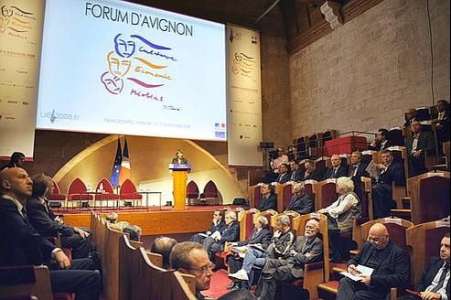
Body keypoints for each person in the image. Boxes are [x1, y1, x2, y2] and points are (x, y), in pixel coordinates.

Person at [0, 167, 101, 300]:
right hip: (22, 274)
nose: (29, 181)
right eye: (22, 177)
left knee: (90, 263)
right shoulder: (5, 208)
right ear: (6, 184)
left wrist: (55, 250)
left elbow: (33, 234)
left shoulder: (17, 207)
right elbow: (28, 236)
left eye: (28, 177)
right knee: (92, 278)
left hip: (35, 266)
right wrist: (54, 252)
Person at [336, 223, 410, 300]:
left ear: (386, 237)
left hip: (380, 289)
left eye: (375, 239)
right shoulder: (368, 245)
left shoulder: (399, 253)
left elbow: (401, 278)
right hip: (361, 282)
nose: (372, 241)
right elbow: (355, 259)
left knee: (358, 296)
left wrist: (373, 280)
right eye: (370, 238)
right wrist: (351, 265)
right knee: (344, 281)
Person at [27, 173, 91, 259]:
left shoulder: (43, 201)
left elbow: (53, 219)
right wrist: (71, 229)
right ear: (45, 189)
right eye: (52, 187)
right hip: (50, 238)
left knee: (88, 231)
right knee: (83, 237)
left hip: (55, 232)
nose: (53, 189)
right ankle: (81, 264)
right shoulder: (34, 204)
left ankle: (87, 258)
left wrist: (70, 228)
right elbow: (49, 226)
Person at [256, 218, 323, 300]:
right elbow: (289, 252)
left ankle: (265, 298)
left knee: (272, 273)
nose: (308, 229)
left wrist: (295, 254)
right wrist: (298, 255)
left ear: (317, 230)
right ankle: (258, 295)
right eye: (307, 227)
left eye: (311, 227)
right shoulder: (300, 238)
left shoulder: (317, 243)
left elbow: (306, 260)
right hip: (289, 261)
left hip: (299, 269)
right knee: (268, 264)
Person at [229, 214, 295, 284]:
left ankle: (245, 283)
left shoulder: (289, 235)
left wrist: (275, 238)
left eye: (278, 225)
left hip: (274, 259)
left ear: (285, 225)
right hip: (267, 254)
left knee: (249, 261)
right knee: (250, 251)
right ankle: (243, 276)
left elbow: (282, 252)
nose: (276, 227)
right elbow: (270, 246)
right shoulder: (279, 233)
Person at [318, 177, 360, 262]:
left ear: (343, 187)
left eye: (337, 185)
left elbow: (340, 209)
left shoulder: (350, 196)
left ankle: (338, 256)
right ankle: (333, 254)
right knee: (322, 227)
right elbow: (333, 206)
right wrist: (322, 210)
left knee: (331, 230)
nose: (336, 187)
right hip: (341, 222)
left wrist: (326, 211)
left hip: (349, 223)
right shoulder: (342, 196)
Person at [227, 215, 272, 289]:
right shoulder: (254, 230)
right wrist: (236, 243)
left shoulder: (266, 232)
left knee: (247, 258)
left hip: (258, 252)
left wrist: (255, 245)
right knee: (233, 258)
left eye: (256, 222)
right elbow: (248, 241)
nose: (254, 223)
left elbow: (265, 245)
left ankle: (244, 285)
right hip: (248, 250)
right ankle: (237, 283)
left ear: (260, 223)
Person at [401, 233, 450, 300]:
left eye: (447, 246)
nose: (442, 249)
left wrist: (440, 296)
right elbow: (421, 282)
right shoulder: (434, 262)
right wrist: (421, 293)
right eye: (441, 245)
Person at [371, 150, 405, 218]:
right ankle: (374, 214)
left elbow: (397, 179)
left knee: (377, 188)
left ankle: (381, 215)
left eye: (387, 156)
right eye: (383, 157)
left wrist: (385, 168)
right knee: (372, 188)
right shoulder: (381, 167)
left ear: (391, 157)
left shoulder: (396, 166)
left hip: (392, 187)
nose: (385, 159)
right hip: (381, 186)